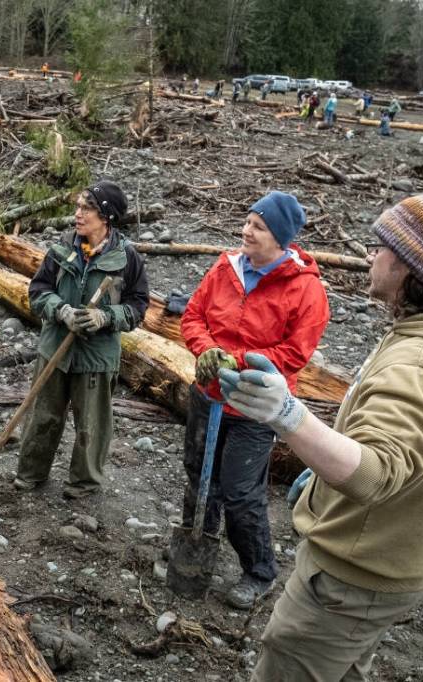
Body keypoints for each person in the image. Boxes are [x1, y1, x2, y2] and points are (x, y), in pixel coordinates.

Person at [219, 193, 423, 680]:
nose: (370, 256)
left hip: (353, 573)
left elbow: (374, 473)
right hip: (398, 559)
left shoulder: (419, 362)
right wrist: (324, 477)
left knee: (290, 664)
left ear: (410, 267)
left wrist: (287, 414)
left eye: (380, 248)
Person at [179, 191, 330, 609]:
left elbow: (295, 354)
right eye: (247, 222)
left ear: (280, 237)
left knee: (241, 492)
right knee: (198, 474)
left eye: (258, 227)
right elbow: (193, 316)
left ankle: (259, 571)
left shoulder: (306, 290)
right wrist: (207, 351)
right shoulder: (225, 267)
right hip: (208, 394)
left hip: (255, 406)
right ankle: (197, 547)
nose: (246, 231)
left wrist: (238, 361)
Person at [13, 181, 149, 499]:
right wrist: (61, 311)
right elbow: (38, 291)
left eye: (86, 208)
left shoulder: (126, 258)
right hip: (55, 348)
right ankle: (31, 472)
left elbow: (138, 307)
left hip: (97, 355)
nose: (78, 214)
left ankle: (84, 482)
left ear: (107, 217)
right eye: (77, 207)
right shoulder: (62, 248)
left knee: (92, 423)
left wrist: (106, 317)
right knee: (43, 415)